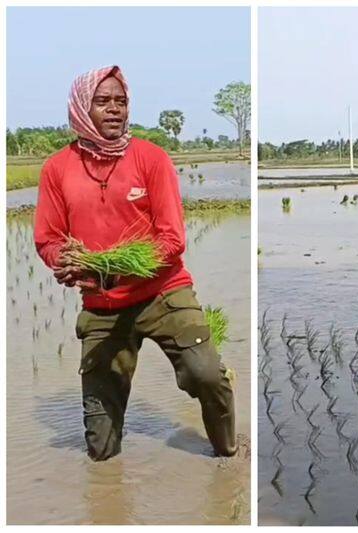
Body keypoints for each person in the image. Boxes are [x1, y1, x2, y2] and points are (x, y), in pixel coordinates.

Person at [33, 66, 237, 461]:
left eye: (121, 101)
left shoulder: (151, 159)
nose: (114, 109)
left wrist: (108, 267)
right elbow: (49, 239)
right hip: (102, 305)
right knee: (101, 448)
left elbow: (172, 239)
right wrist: (67, 261)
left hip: (163, 293)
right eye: (103, 101)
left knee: (205, 374)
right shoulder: (57, 169)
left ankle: (229, 453)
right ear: (81, 108)